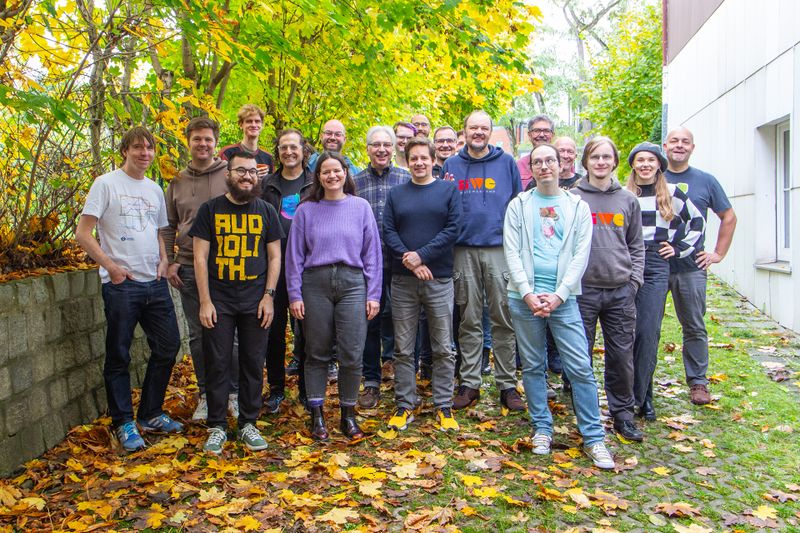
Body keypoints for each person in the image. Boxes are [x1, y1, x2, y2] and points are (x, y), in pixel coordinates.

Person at [503, 143, 615, 469]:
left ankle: (593, 438)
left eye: (549, 160)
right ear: (532, 168)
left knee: (579, 366)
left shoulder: (576, 207)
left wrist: (559, 294)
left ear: (561, 163)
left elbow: (582, 254)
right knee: (534, 366)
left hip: (563, 300)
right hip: (524, 300)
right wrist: (526, 293)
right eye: (537, 162)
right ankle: (542, 428)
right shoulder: (519, 205)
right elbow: (511, 251)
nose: (544, 167)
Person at [76, 127, 183, 452]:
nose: (145, 153)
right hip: (122, 286)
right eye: (138, 147)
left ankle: (150, 412)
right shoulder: (106, 184)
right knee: (118, 355)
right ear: (125, 150)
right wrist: (111, 267)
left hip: (154, 283)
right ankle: (123, 421)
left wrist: (165, 259)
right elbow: (83, 233)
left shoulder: (154, 189)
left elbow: (161, 230)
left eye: (149, 148)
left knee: (168, 346)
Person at [190, 150, 283, 454]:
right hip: (219, 300)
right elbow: (200, 257)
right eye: (240, 171)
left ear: (258, 177)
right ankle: (217, 425)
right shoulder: (210, 210)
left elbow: (274, 256)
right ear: (227, 175)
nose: (246, 176)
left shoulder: (266, 211)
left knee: (253, 362)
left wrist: (269, 297)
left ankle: (248, 423)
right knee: (217, 362)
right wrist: (205, 301)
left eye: (252, 172)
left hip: (256, 299)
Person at [286, 151, 382, 441]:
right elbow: (294, 256)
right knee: (316, 352)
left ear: (345, 173)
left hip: (353, 283)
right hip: (314, 284)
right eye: (325, 172)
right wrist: (294, 294)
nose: (332, 176)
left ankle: (348, 416)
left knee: (352, 353)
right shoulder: (306, 210)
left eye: (337, 171)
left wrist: (373, 293)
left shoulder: (360, 207)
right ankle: (317, 415)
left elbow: (373, 254)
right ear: (318, 177)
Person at [442, 110, 525, 411]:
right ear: (464, 132)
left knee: (504, 317)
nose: (478, 132)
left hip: (499, 249)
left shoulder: (506, 164)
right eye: (472, 128)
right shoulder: (451, 165)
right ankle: (469, 383)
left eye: (484, 128)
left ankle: (506, 385)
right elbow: (444, 207)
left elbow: (518, 206)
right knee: (469, 318)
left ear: (490, 132)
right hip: (462, 251)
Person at [161, 117, 240, 422]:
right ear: (188, 142)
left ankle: (232, 394)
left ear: (216, 143)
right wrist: (169, 259)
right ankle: (207, 395)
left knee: (229, 334)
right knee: (199, 335)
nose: (203, 144)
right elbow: (168, 225)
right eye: (197, 139)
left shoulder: (229, 176)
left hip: (227, 266)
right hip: (189, 268)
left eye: (208, 139)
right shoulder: (177, 181)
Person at [383, 138, 461, 432]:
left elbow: (453, 228)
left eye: (423, 158)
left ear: (432, 161)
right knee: (403, 348)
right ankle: (405, 404)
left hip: (439, 278)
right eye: (413, 158)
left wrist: (422, 256)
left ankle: (443, 405)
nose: (418, 163)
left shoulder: (448, 190)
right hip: (403, 280)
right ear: (407, 161)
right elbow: (388, 230)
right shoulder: (397, 194)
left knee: (443, 346)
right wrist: (411, 261)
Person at [626, 142, 705, 421]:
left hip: (657, 264)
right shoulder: (625, 196)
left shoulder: (673, 194)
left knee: (648, 331)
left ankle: (644, 395)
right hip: (626, 264)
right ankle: (627, 394)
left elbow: (697, 223)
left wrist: (679, 248)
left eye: (650, 160)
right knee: (628, 332)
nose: (645, 164)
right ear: (633, 165)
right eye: (640, 160)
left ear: (659, 164)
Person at [573, 136, 645, 442]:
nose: (600, 162)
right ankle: (585, 416)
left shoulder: (628, 200)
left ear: (614, 162)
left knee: (620, 357)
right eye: (595, 157)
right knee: (579, 357)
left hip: (620, 291)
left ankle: (623, 416)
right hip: (583, 291)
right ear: (586, 162)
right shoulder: (573, 199)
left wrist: (634, 282)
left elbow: (637, 246)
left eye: (606, 157)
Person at [663, 127, 737, 405]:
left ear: (692, 147)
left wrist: (718, 253)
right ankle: (641, 382)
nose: (679, 145)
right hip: (656, 268)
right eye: (674, 141)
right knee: (646, 327)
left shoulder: (706, 181)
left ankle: (698, 382)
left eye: (685, 142)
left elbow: (728, 217)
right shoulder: (653, 177)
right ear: (665, 146)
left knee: (693, 325)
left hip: (691, 268)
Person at [354, 126, 411, 409]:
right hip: (366, 267)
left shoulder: (406, 178)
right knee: (369, 323)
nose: (381, 150)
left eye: (386, 145)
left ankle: (402, 378)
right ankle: (372, 382)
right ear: (367, 149)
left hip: (401, 263)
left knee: (401, 322)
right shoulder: (354, 182)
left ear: (394, 148)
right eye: (375, 145)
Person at [261, 129, 314, 413]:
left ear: (303, 150)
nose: (289, 152)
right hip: (274, 265)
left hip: (307, 267)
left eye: (294, 147)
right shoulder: (267, 185)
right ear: (278, 151)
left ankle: (307, 390)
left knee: (306, 331)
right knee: (274, 330)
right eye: (283, 148)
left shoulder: (314, 183)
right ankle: (277, 390)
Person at [219, 104, 274, 179]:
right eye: (249, 121)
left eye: (257, 121)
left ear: (262, 125)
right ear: (241, 124)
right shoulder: (228, 153)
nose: (254, 125)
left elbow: (272, 186)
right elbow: (221, 183)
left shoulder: (268, 158)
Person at [517, 115, 555, 190]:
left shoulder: (560, 162)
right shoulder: (519, 165)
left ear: (552, 135)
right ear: (529, 135)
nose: (541, 135)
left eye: (546, 131)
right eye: (537, 131)